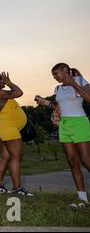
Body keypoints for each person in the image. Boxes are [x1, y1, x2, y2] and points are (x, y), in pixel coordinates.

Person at [35, 63, 90, 207]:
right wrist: (45, 103)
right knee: (73, 162)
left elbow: (88, 99)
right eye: (53, 75)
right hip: (64, 125)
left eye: (56, 74)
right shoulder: (58, 88)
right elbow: (59, 107)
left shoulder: (79, 81)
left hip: (79, 122)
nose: (54, 77)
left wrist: (73, 84)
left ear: (65, 71)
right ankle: (82, 199)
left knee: (86, 160)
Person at [0, 72, 33, 196]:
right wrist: (9, 83)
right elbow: (19, 92)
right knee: (16, 157)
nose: (4, 81)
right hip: (8, 128)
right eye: (2, 80)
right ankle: (17, 188)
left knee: (6, 157)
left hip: (5, 127)